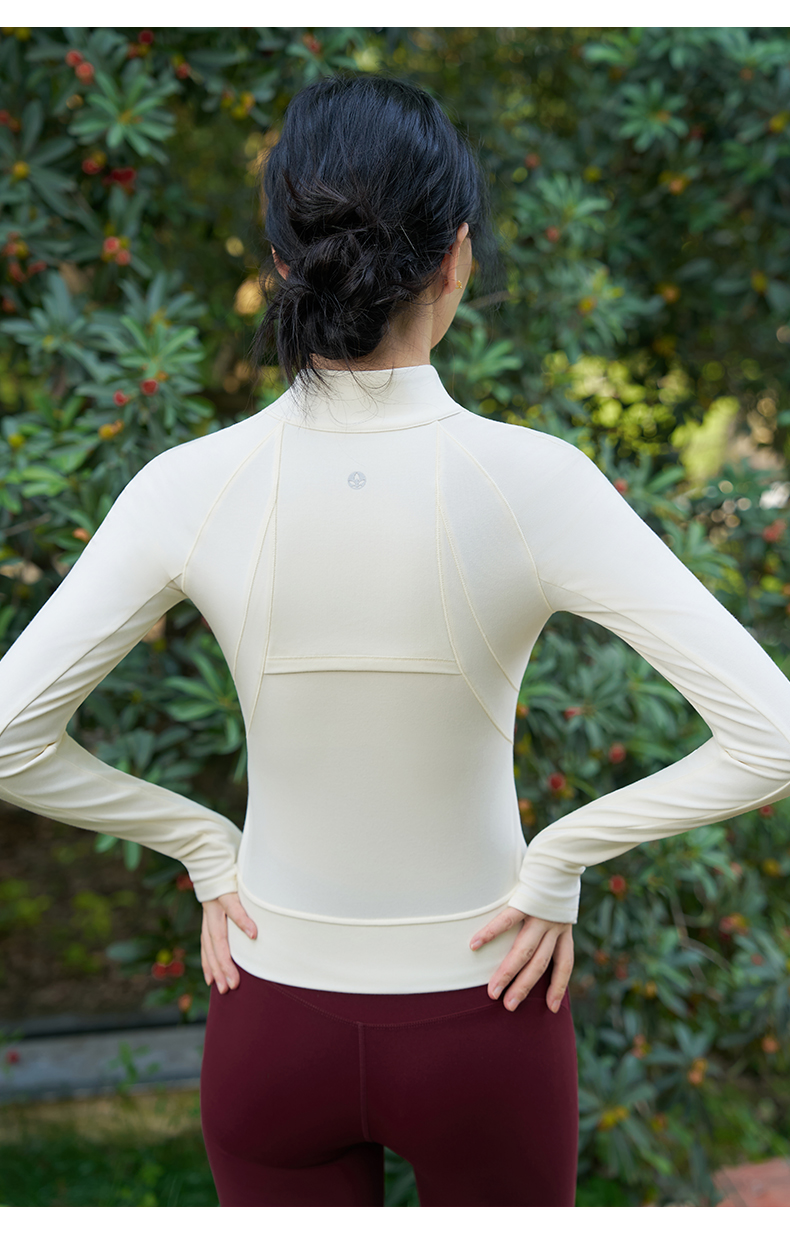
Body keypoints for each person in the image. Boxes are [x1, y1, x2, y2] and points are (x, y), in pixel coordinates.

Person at [1, 72, 790, 1209]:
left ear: (283, 259)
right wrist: (559, 861)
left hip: (270, 1020)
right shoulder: (537, 482)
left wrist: (202, 845)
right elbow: (771, 736)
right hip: (487, 1016)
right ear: (456, 257)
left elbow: (10, 738)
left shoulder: (188, 486)